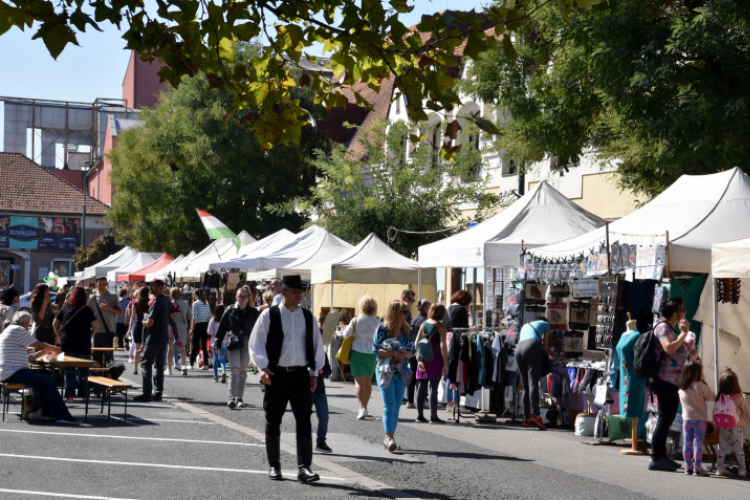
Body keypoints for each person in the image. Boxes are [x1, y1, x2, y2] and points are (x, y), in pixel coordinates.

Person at [249, 275, 325, 482]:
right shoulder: (269, 315)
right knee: (273, 420)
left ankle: (304, 468)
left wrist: (314, 372)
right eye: (294, 291)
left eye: (300, 291)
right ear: (283, 292)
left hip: (300, 374)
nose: (299, 294)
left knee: (304, 420)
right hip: (276, 374)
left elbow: (317, 345)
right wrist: (262, 367)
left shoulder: (308, 317)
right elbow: (256, 343)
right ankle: (274, 466)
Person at [0, 311, 77, 424]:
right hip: (12, 372)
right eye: (29, 324)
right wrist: (58, 350)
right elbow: (39, 345)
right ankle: (62, 415)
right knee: (47, 381)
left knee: (45, 373)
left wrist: (41, 353)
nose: (29, 327)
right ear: (25, 323)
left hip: (10, 370)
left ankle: (43, 411)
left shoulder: (9, 330)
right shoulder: (19, 330)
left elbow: (23, 356)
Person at [648, 298, 694, 472]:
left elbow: (674, 351)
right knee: (664, 418)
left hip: (672, 381)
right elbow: (668, 348)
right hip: (664, 380)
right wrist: (683, 334)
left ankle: (661, 454)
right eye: (683, 310)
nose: (685, 313)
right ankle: (656, 458)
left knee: (667, 418)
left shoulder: (669, 328)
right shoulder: (663, 328)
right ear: (675, 314)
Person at [373, 300, 415, 453]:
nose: (407, 315)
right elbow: (376, 350)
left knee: (396, 408)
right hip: (385, 371)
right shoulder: (382, 329)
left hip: (401, 372)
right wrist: (394, 353)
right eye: (405, 312)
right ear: (396, 313)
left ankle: (391, 437)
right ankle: (388, 438)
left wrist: (405, 355)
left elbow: (413, 351)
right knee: (389, 406)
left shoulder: (407, 330)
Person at [52, 287, 98, 402]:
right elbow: (96, 326)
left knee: (69, 370)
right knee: (84, 371)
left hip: (67, 343)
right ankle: (84, 395)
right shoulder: (86, 309)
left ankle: (69, 396)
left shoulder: (65, 308)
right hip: (83, 343)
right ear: (84, 297)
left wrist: (60, 335)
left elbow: (54, 324)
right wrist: (90, 335)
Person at [216, 286, 259, 408]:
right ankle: (232, 397)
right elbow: (221, 329)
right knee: (234, 369)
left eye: (245, 296)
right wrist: (217, 344)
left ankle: (240, 397)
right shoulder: (229, 310)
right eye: (240, 296)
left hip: (247, 341)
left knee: (243, 371)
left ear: (248, 298)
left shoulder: (253, 312)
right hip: (234, 341)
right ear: (236, 297)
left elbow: (259, 329)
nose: (242, 299)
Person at [342, 294, 382, 420]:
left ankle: (362, 408)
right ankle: (365, 405)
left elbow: (346, 334)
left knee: (359, 383)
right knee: (368, 382)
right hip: (372, 354)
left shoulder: (356, 320)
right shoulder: (378, 322)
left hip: (357, 353)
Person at [134, 279, 172, 402]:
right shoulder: (166, 299)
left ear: (160, 287)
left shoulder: (158, 301)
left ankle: (146, 393)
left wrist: (142, 322)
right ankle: (158, 392)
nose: (151, 288)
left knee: (146, 363)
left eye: (153, 286)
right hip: (162, 336)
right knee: (159, 365)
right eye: (150, 286)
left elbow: (150, 323)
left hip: (154, 337)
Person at [677, 360, 715, 476]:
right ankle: (697, 467)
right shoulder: (700, 386)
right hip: (700, 420)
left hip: (687, 420)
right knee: (697, 443)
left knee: (687, 443)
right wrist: (706, 386)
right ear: (697, 373)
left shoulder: (681, 388)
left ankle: (688, 466)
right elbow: (711, 397)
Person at [415, 303, 449, 424]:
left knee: (421, 387)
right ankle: (433, 416)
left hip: (423, 359)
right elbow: (443, 345)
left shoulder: (423, 324)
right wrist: (446, 363)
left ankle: (419, 415)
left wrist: (419, 359)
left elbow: (416, 343)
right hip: (435, 358)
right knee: (433, 388)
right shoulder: (441, 327)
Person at [515, 317, 551, 430]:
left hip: (518, 350)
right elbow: (545, 348)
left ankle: (526, 418)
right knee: (533, 384)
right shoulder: (546, 324)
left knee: (526, 387)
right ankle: (536, 415)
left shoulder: (525, 326)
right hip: (531, 347)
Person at [714, 367, 750, 477]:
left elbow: (715, 413)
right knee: (739, 449)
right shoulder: (739, 398)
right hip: (736, 428)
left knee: (722, 449)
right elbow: (748, 412)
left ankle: (719, 468)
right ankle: (742, 470)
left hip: (723, 427)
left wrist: (716, 428)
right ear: (736, 384)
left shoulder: (720, 398)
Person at [444, 290, 472, 413]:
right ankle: (454, 403)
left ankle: (450, 403)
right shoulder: (462, 310)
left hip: (446, 342)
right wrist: (473, 330)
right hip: (456, 343)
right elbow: (464, 330)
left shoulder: (447, 309)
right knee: (456, 372)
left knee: (449, 373)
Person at [88, 277, 122, 366]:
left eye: (104, 284)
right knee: (96, 360)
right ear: (96, 284)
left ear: (107, 284)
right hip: (96, 332)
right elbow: (88, 314)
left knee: (109, 360)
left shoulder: (113, 296)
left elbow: (121, 312)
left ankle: (110, 378)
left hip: (109, 332)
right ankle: (97, 378)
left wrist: (109, 308)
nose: (102, 286)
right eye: (100, 284)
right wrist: (91, 318)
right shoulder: (92, 298)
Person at [406, 298, 430, 409]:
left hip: (411, 350)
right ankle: (421, 399)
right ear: (425, 308)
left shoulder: (414, 319)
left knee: (413, 376)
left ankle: (410, 400)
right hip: (421, 351)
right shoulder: (425, 321)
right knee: (422, 377)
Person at [312, 349, 333, 454]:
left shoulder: (322, 354)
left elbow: (329, 371)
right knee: (303, 418)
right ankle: (303, 442)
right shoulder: (302, 352)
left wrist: (322, 371)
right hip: (306, 391)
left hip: (320, 391)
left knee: (324, 416)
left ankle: (321, 442)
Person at [170, 287, 191, 375]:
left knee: (171, 347)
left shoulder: (171, 303)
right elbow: (190, 317)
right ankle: (183, 366)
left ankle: (171, 366)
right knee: (182, 349)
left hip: (172, 327)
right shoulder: (186, 303)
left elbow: (169, 317)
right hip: (182, 326)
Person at [128, 287, 149, 374]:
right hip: (147, 325)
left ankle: (135, 369)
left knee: (137, 350)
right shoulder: (150, 303)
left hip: (137, 326)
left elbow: (133, 317)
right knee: (148, 349)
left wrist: (129, 330)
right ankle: (146, 368)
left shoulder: (135, 303)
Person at [190, 288, 211, 370]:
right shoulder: (207, 302)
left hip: (198, 325)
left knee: (195, 345)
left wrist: (192, 328)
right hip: (205, 324)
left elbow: (194, 317)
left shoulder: (195, 304)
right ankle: (205, 364)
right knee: (204, 345)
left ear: (196, 295)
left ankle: (191, 364)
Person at [208, 304, 227, 383]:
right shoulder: (226, 320)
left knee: (215, 359)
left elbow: (209, 331)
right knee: (222, 359)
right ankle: (223, 371)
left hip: (215, 342)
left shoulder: (213, 320)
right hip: (224, 341)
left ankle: (215, 377)